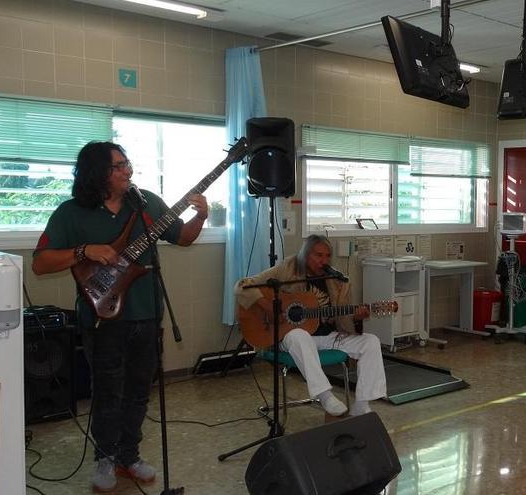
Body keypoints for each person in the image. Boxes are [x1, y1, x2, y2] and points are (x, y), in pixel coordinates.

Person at [32, 141, 208, 493]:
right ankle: (105, 458)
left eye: (128, 163)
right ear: (97, 173)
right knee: (108, 392)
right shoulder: (72, 212)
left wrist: (201, 216)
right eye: (118, 166)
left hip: (146, 314)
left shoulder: (146, 204)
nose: (127, 170)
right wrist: (85, 251)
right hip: (102, 319)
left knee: (140, 391)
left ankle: (130, 455)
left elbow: (184, 238)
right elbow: (40, 263)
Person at [235, 235, 386, 418]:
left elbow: (343, 319)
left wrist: (356, 317)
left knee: (370, 341)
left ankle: (362, 404)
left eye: (327, 256)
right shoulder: (288, 269)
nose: (324, 260)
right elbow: (243, 286)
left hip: (329, 336)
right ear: (306, 254)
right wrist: (268, 309)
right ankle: (325, 396)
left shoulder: (337, 281)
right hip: (291, 338)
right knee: (299, 335)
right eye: (318, 255)